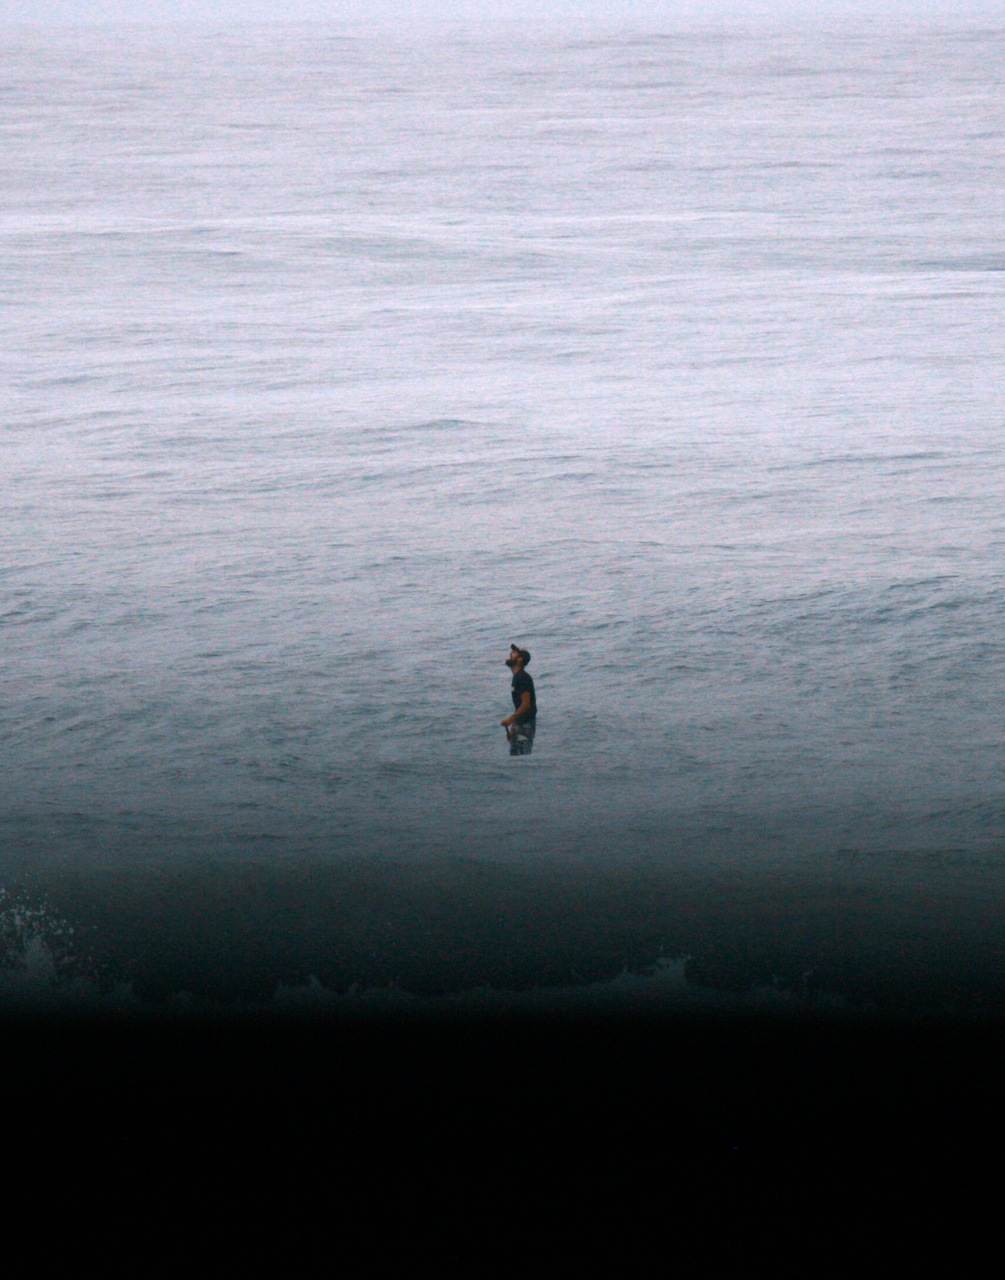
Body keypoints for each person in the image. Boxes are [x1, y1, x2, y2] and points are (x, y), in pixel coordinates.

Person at [501, 644, 537, 756]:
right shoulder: (517, 677)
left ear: (520, 660)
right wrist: (514, 726)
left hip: (525, 725)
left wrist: (510, 720)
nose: (510, 655)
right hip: (521, 724)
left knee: (521, 756)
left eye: (513, 653)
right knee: (517, 754)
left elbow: (526, 704)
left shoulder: (522, 677)